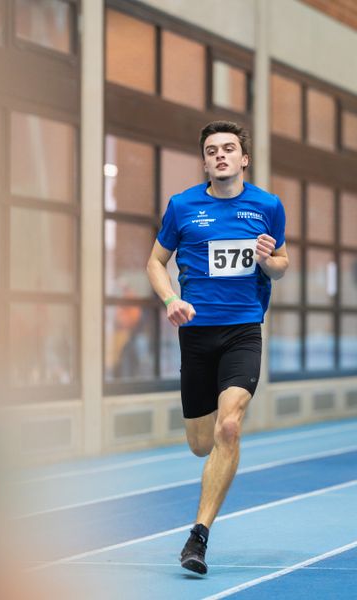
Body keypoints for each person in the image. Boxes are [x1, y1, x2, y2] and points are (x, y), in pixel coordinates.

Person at [146, 120, 289, 575]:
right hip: (196, 334)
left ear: (244, 158)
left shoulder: (267, 206)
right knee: (200, 443)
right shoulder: (182, 206)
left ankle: (197, 537)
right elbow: (154, 261)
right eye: (212, 150)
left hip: (243, 330)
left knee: (230, 427)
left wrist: (269, 261)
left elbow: (281, 264)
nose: (221, 156)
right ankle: (208, 469)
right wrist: (171, 298)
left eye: (229, 149)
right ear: (205, 161)